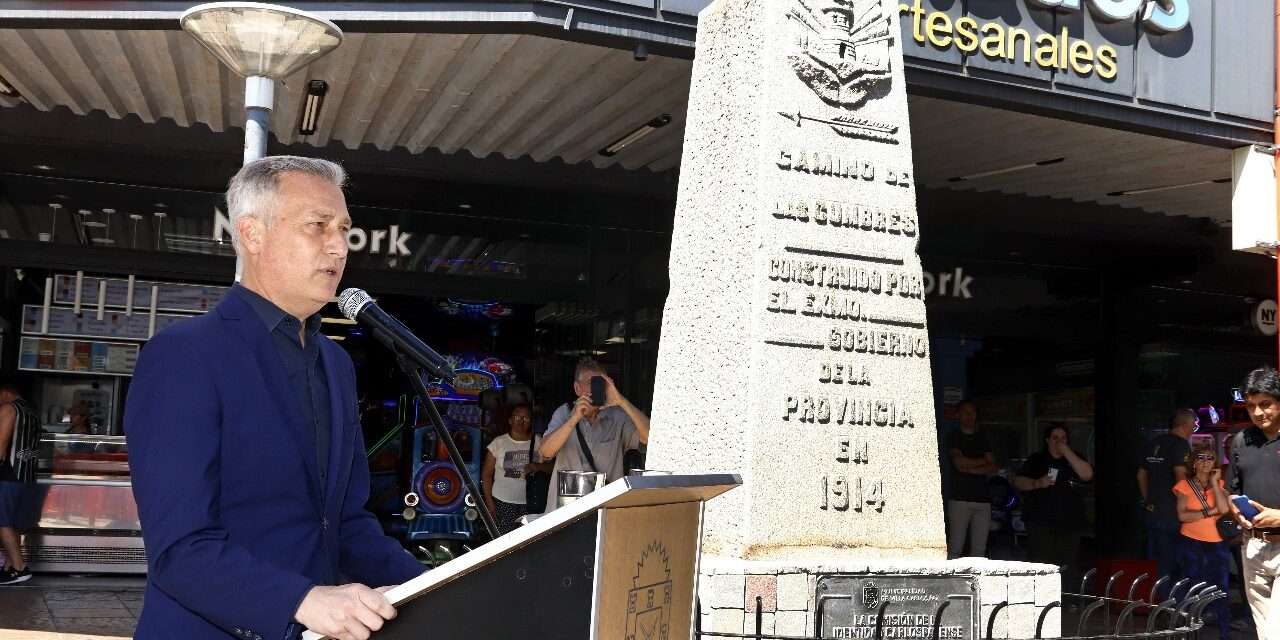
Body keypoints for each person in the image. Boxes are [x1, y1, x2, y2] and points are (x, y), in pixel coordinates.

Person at [125, 156, 423, 640]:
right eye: (317, 226)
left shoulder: (336, 364)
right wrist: (301, 601)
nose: (338, 246)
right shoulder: (184, 356)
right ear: (253, 234)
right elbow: (180, 548)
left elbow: (345, 522)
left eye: (344, 229)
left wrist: (436, 584)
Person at [538, 358, 650, 511]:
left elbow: (651, 438)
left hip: (603, 509)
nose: (596, 388)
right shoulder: (564, 413)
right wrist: (573, 419)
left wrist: (621, 401)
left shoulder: (617, 417)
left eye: (601, 383)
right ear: (577, 388)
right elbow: (545, 452)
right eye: (591, 382)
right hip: (564, 511)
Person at [1229, 367, 1280, 640]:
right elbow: (1232, 491)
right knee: (1263, 629)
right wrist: (1237, 510)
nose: (1258, 413)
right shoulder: (1241, 440)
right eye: (1251, 406)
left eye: (1265, 404)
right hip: (1253, 546)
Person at [1013, 424, 1094, 586]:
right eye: (1055, 438)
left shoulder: (1074, 457)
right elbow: (1018, 481)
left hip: (1070, 521)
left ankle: (1066, 600)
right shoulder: (1036, 459)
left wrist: (1067, 452)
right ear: (1048, 440)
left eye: (1063, 438)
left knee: (1067, 563)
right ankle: (1042, 601)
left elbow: (1087, 475)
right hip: (1040, 520)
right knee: (1042, 562)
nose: (1060, 442)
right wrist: (1037, 483)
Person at [1172, 446, 1231, 639]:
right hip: (1191, 541)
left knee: (1221, 587)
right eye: (1201, 457)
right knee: (1192, 584)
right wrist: (1209, 512)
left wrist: (1214, 483)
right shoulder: (1184, 485)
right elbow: (1182, 515)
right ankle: (1190, 629)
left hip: (1217, 543)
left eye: (1210, 458)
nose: (1206, 461)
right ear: (1194, 462)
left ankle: (1224, 631)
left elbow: (1223, 509)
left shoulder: (1219, 483)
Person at [1137, 409, 1195, 593]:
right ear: (1186, 425)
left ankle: (1160, 606)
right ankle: (1174, 608)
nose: (1193, 430)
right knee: (1177, 564)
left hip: (1152, 512)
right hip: (1172, 514)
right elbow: (1181, 479)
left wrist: (1148, 499)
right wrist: (1187, 506)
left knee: (1157, 563)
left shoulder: (1154, 443)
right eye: (1193, 426)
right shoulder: (1181, 445)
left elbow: (1140, 475)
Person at [482, 404, 552, 534]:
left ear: (531, 422)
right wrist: (490, 503)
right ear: (510, 420)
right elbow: (486, 475)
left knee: (529, 540)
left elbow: (553, 468)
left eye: (526, 418)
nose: (521, 421)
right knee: (503, 542)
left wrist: (538, 466)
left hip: (532, 503)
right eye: (517, 417)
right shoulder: (498, 443)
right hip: (503, 503)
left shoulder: (539, 442)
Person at [945, 400, 997, 558]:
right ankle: (949, 582)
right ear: (958, 415)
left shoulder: (983, 437)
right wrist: (983, 461)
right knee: (956, 546)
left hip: (983, 499)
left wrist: (970, 468)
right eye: (966, 412)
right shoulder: (954, 436)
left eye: (973, 412)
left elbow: (994, 467)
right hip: (960, 498)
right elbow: (959, 463)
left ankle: (976, 582)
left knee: (980, 549)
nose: (970, 416)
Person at [0, 382, 39, 585]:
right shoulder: (31, 412)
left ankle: (19, 567)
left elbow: (0, 447)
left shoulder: (9, 409)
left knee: (2, 523)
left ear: (5, 393)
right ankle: (9, 567)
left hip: (8, 476)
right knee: (11, 523)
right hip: (26, 476)